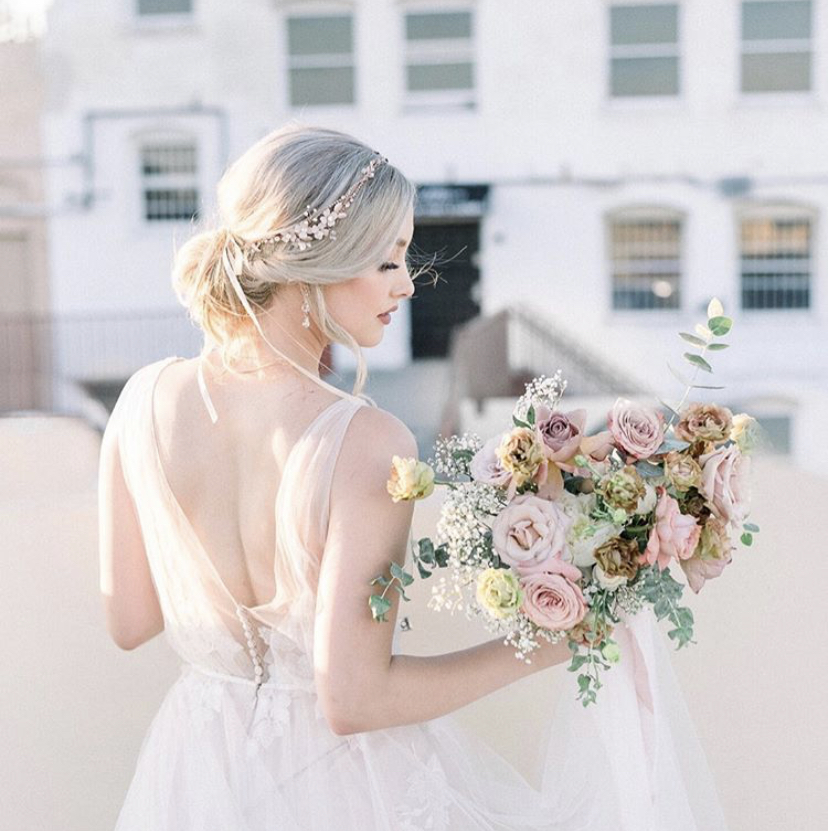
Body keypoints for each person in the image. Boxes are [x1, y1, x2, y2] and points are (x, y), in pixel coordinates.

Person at [98, 123, 731, 830]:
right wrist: (552, 642)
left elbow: (130, 620)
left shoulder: (140, 401)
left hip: (193, 774)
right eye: (387, 260)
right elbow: (353, 700)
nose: (408, 283)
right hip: (340, 791)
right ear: (319, 261)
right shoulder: (366, 442)